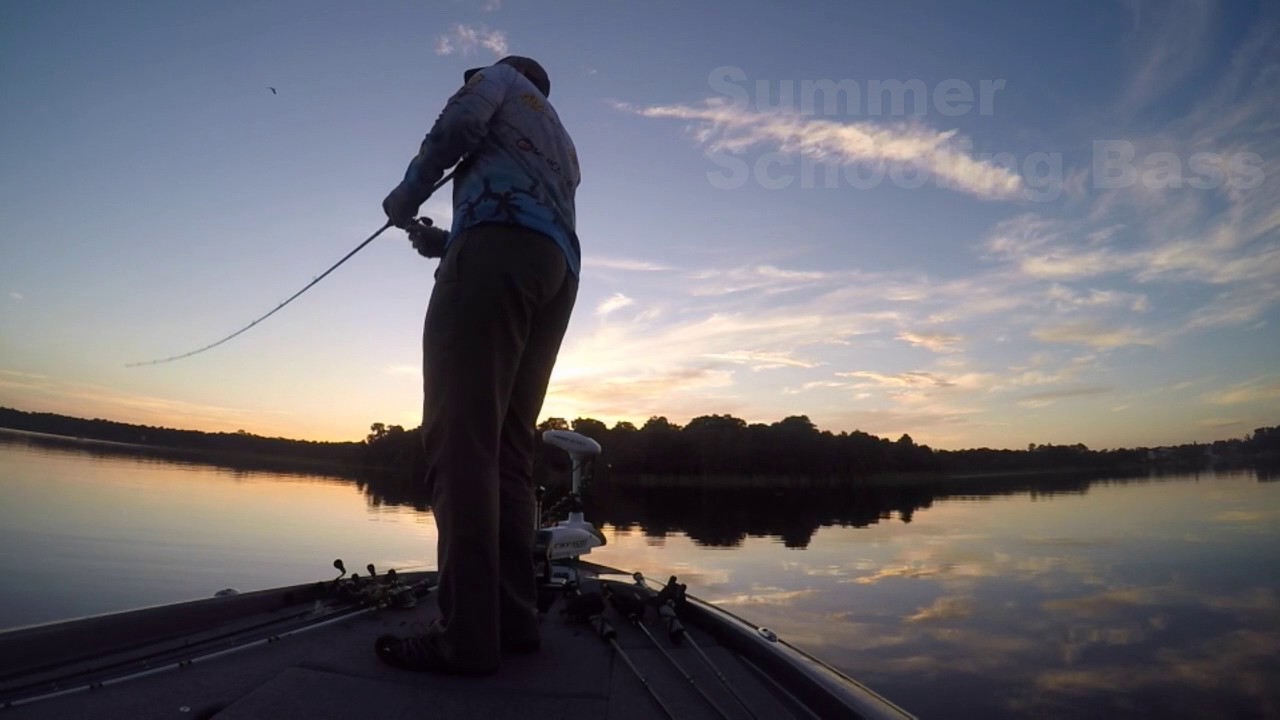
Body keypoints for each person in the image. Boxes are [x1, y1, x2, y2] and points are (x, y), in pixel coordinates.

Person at [375, 56, 581, 675]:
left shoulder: (496, 83)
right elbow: (525, 210)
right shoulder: (562, 140)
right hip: (558, 270)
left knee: (461, 442)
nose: (469, 83)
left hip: (496, 251)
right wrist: (445, 241)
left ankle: (464, 636)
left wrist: (405, 195)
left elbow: (459, 127)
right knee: (510, 450)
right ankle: (513, 623)